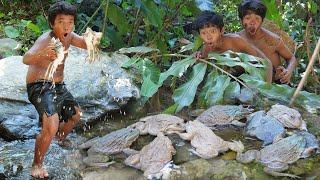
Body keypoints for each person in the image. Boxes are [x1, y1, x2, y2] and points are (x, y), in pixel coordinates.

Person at [23, 1, 92, 178]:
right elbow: (26, 58)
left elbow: (84, 44)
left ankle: (56, 138)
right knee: (52, 123)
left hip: (58, 86)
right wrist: (43, 54)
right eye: (61, 22)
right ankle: (37, 164)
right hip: (39, 85)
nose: (66, 26)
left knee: (75, 115)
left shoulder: (69, 36)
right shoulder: (46, 39)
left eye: (70, 22)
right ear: (52, 24)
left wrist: (93, 40)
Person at [194, 10, 273, 83]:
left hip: (253, 73)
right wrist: (198, 58)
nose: (208, 37)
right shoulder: (206, 49)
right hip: (231, 79)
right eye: (204, 33)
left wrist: (266, 88)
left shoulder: (235, 41)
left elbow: (264, 62)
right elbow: (202, 65)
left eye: (212, 31)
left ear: (221, 31)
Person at [238, 0, 297, 84]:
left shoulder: (273, 40)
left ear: (262, 21)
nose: (252, 23)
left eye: (257, 19)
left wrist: (288, 71)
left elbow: (291, 58)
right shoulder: (237, 40)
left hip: (275, 86)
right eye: (248, 18)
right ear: (241, 20)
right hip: (248, 86)